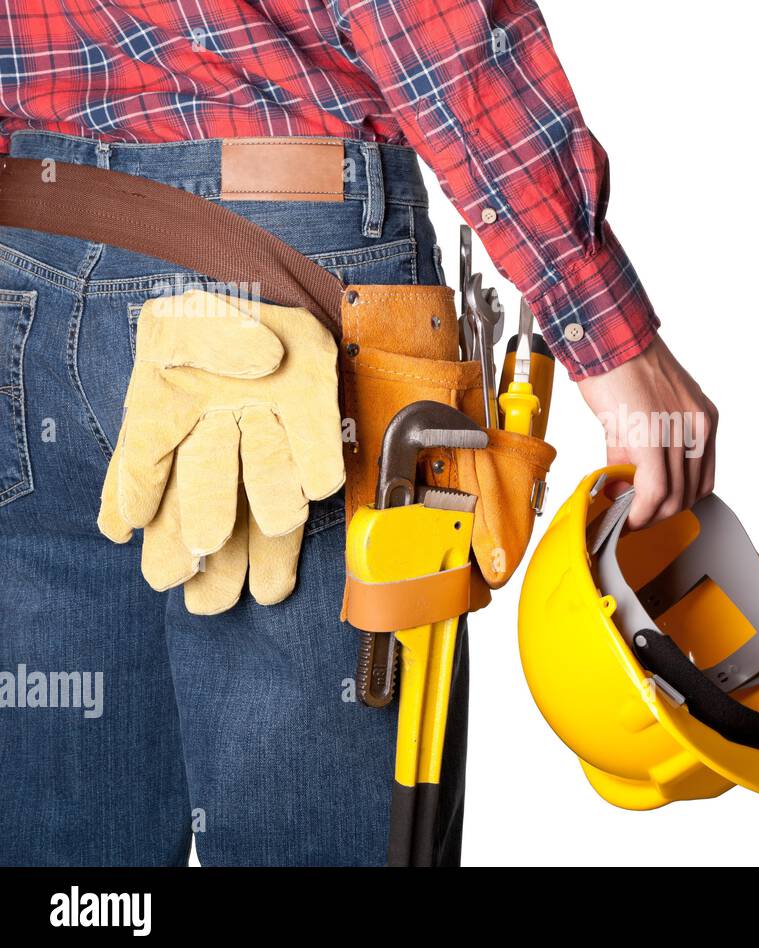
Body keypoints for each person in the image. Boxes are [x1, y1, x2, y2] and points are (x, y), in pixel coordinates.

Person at [0, 1, 716, 866]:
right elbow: (427, 25)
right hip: (295, 267)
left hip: (34, 258)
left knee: (62, 842)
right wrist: (612, 340)